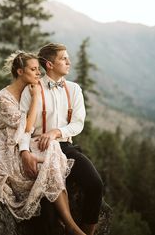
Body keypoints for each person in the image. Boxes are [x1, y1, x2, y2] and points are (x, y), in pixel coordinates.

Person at [0, 50, 86, 235]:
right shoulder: (4, 96)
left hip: (24, 141)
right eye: (33, 69)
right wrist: (37, 97)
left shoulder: (29, 90)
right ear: (20, 72)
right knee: (44, 162)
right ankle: (68, 223)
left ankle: (68, 223)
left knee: (53, 148)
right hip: (7, 144)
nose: (39, 73)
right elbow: (26, 126)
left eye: (39, 69)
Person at [19, 43, 103, 235]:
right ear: (49, 64)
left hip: (65, 147)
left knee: (95, 184)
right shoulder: (32, 89)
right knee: (47, 213)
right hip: (39, 150)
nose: (68, 61)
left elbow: (78, 123)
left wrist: (56, 132)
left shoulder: (74, 89)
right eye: (63, 58)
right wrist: (24, 152)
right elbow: (24, 127)